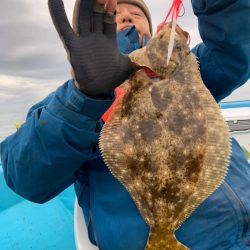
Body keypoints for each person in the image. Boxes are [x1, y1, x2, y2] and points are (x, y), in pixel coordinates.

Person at [1, 0, 250, 249]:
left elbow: (233, 46)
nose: (127, 17)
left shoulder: (192, 69)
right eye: (116, 14)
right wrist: (84, 99)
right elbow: (25, 176)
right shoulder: (74, 100)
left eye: (136, 13)